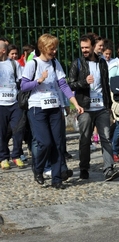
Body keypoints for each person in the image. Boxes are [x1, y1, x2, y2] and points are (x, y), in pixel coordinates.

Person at [20, 33, 84, 189]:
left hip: (55, 107)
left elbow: (63, 85)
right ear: (43, 47)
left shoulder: (55, 63)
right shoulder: (32, 64)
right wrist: (38, 81)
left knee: (57, 143)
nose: (54, 51)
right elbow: (23, 86)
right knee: (44, 142)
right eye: (51, 48)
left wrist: (74, 103)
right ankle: (38, 168)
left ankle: (57, 179)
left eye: (55, 48)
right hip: (37, 108)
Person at [68, 34, 119, 182]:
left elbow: (106, 85)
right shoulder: (77, 63)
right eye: (82, 47)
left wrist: (109, 106)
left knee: (106, 137)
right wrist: (84, 82)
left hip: (101, 108)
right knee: (85, 139)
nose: (84, 50)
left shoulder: (102, 63)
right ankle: (84, 167)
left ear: (93, 47)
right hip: (84, 108)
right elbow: (70, 83)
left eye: (87, 47)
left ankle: (108, 169)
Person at [0, 41, 25, 170]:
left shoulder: (14, 64)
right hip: (0, 104)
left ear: (3, 51)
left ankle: (16, 155)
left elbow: (22, 81)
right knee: (2, 132)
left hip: (15, 103)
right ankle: (3, 157)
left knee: (18, 130)